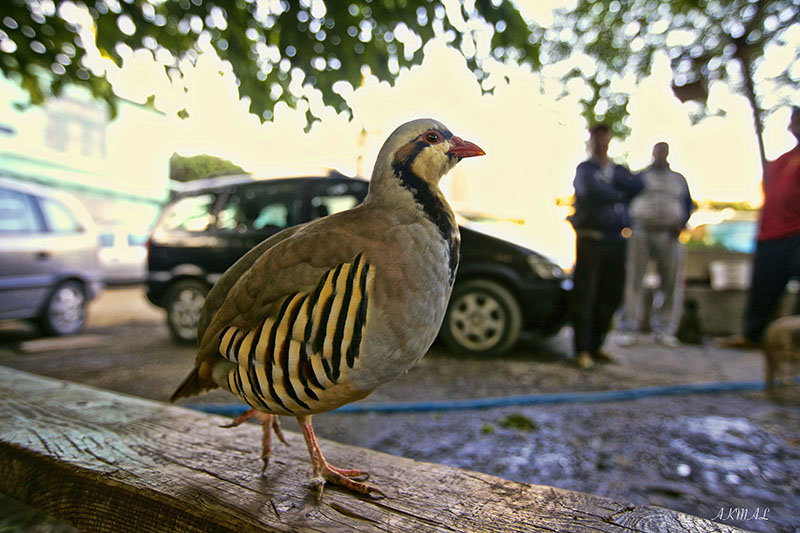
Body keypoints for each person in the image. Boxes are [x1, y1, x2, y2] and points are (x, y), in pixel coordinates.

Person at [719, 106, 800, 348]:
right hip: (771, 234)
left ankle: (795, 340)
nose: (795, 124)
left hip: (797, 233)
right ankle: (753, 335)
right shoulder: (780, 161)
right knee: (763, 288)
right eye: (794, 120)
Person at [568, 124, 643, 369]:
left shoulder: (618, 170)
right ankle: (582, 350)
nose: (602, 143)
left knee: (610, 294)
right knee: (585, 294)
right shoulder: (585, 169)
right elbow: (591, 192)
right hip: (590, 238)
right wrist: (618, 193)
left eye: (605, 139)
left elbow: (637, 186)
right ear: (591, 141)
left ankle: (597, 345)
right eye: (597, 139)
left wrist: (615, 191)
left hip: (616, 239)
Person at [617, 142, 694, 348]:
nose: (660, 154)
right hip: (641, 230)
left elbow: (688, 204)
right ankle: (628, 328)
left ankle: (666, 330)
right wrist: (627, 224)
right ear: (652, 152)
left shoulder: (678, 179)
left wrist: (682, 222)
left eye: (664, 150)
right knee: (633, 280)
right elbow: (624, 201)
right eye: (657, 150)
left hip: (668, 234)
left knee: (671, 283)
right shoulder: (640, 177)